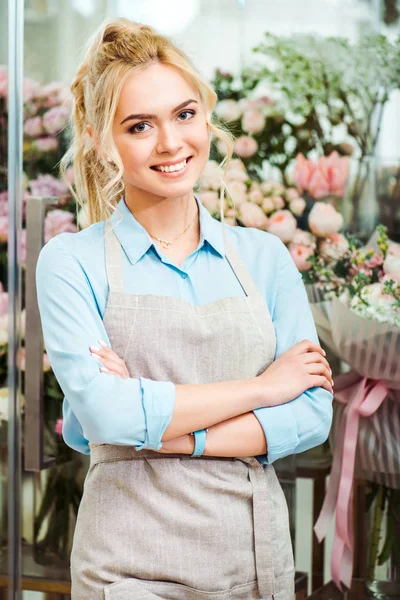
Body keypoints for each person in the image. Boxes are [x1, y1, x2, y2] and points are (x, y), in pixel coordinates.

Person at [36, 18, 333, 600]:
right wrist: (262, 390)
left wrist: (164, 436)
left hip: (254, 560)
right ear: (100, 138)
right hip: (129, 572)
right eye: (140, 126)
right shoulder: (70, 262)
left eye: (185, 114)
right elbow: (103, 417)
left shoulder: (265, 257)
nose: (171, 144)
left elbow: (311, 417)